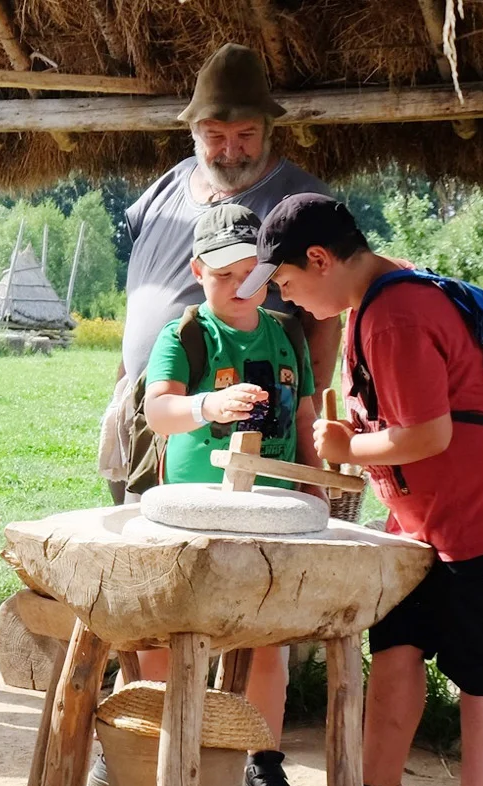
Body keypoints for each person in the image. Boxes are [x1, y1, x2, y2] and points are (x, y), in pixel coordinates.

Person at [248, 193, 483, 786]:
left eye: (288, 283)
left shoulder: (396, 313)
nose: (288, 299)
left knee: (482, 668)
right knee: (397, 645)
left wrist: (346, 449)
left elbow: (426, 434)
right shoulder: (378, 299)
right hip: (429, 517)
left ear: (321, 259)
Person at [136, 203, 319, 786]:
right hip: (195, 514)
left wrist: (317, 486)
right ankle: (143, 743)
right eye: (223, 276)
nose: (239, 288)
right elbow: (157, 411)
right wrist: (208, 407)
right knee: (164, 633)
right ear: (197, 271)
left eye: (252, 275)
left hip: (274, 510)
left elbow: (304, 416)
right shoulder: (186, 333)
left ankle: (262, 761)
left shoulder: (289, 332)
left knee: (268, 644)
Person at [100, 43, 339, 505]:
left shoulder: (303, 202)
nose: (231, 150)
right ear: (193, 130)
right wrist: (124, 382)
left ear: (270, 130)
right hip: (156, 403)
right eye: (214, 134)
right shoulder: (167, 186)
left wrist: (299, 419)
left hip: (254, 420)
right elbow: (143, 295)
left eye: (246, 133)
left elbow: (326, 317)